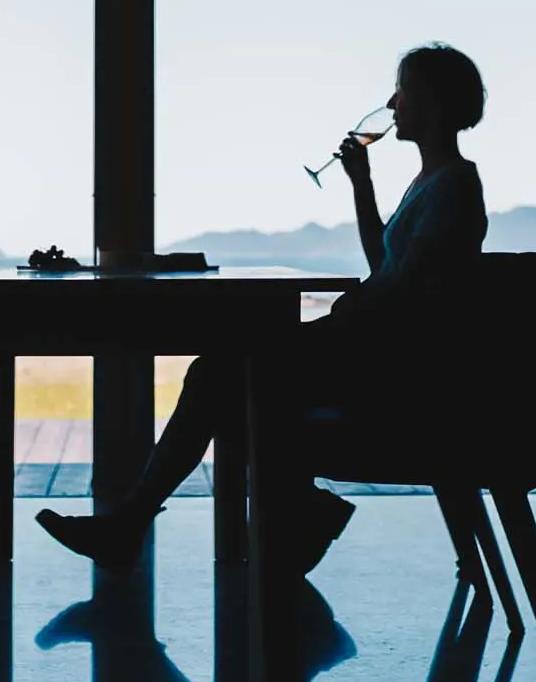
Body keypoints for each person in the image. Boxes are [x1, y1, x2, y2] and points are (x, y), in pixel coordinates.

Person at [36, 42, 491, 574]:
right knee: (227, 376)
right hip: (378, 349)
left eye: (403, 91)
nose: (391, 105)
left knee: (219, 376)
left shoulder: (455, 186)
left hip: (390, 367)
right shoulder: (432, 182)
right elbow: (385, 265)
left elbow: (407, 295)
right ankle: (296, 509)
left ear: (432, 102)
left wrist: (348, 313)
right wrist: (361, 186)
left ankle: (141, 523)